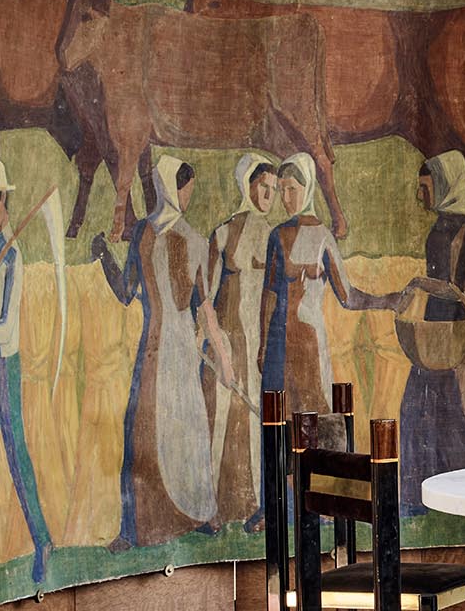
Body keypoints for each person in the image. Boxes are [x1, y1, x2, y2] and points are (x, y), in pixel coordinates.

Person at [94, 155, 230, 550]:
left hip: (181, 349)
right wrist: (104, 253)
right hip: (156, 349)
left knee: (188, 430)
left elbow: (206, 310)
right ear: (171, 187)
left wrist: (222, 360)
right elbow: (125, 292)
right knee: (144, 433)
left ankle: (200, 513)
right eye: (185, 187)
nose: (188, 195)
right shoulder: (144, 235)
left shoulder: (193, 241)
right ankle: (135, 530)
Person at [397, 151, 465, 506]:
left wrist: (422, 284)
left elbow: (457, 284)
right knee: (420, 405)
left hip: (453, 326)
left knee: (451, 404)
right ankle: (419, 494)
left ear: (445, 184)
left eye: (425, 188)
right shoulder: (442, 224)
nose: (420, 196)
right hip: (433, 325)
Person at [259, 153, 390, 437]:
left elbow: (348, 296)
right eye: (282, 190)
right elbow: (268, 296)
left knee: (312, 422)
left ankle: (312, 482)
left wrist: (387, 300)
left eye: (291, 189)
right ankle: (285, 483)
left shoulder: (322, 237)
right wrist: (262, 345)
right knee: (278, 427)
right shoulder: (277, 235)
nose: (285, 197)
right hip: (277, 346)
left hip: (308, 343)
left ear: (307, 189)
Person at [0, 160, 51, 591]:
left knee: (17, 459)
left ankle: (42, 544)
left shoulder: (12, 256)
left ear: (3, 200)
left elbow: (4, 326)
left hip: (7, 366)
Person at [205, 154, 275, 528]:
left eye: (275, 190)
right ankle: (215, 509)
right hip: (228, 342)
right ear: (247, 184)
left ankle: (254, 507)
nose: (269, 195)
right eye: (264, 186)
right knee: (221, 420)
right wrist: (214, 343)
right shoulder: (222, 234)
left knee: (253, 426)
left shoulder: (272, 236)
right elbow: (207, 297)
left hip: (257, 344)